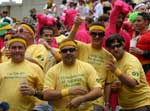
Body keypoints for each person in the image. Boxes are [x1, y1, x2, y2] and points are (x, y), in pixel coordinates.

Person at [67, 16, 115, 111]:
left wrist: (107, 103)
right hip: (77, 97)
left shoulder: (109, 57)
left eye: (100, 34)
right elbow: (68, 42)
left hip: (96, 101)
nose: (97, 36)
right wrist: (76, 26)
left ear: (104, 36)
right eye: (94, 34)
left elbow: (108, 83)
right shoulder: (82, 47)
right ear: (89, 34)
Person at [43, 40, 102, 111]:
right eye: (65, 51)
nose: (68, 53)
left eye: (71, 50)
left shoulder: (87, 67)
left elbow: (98, 91)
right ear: (60, 53)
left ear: (76, 51)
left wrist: (82, 99)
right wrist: (68, 91)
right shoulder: (53, 71)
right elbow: (46, 95)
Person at [105, 34, 150, 111]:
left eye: (118, 46)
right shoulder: (114, 62)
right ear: (109, 49)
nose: (115, 49)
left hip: (141, 104)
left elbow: (132, 83)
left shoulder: (131, 61)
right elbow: (119, 84)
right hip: (126, 106)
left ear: (123, 45)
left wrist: (116, 71)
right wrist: (114, 88)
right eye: (112, 47)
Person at [0, 35, 44, 111]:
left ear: (25, 49)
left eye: (20, 47)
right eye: (14, 48)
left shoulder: (35, 68)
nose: (17, 50)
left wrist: (34, 92)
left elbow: (44, 93)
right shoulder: (1, 67)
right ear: (9, 49)